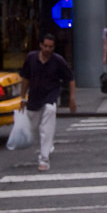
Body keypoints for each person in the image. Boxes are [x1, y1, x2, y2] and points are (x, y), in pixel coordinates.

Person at [20, 33, 76, 172]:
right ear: (40, 45)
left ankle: (44, 159)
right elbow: (26, 78)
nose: (47, 49)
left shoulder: (58, 61)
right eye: (45, 46)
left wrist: (72, 99)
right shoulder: (31, 58)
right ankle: (48, 144)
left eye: (50, 47)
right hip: (34, 97)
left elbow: (70, 78)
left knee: (48, 122)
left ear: (53, 47)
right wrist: (22, 98)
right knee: (32, 128)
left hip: (50, 95)